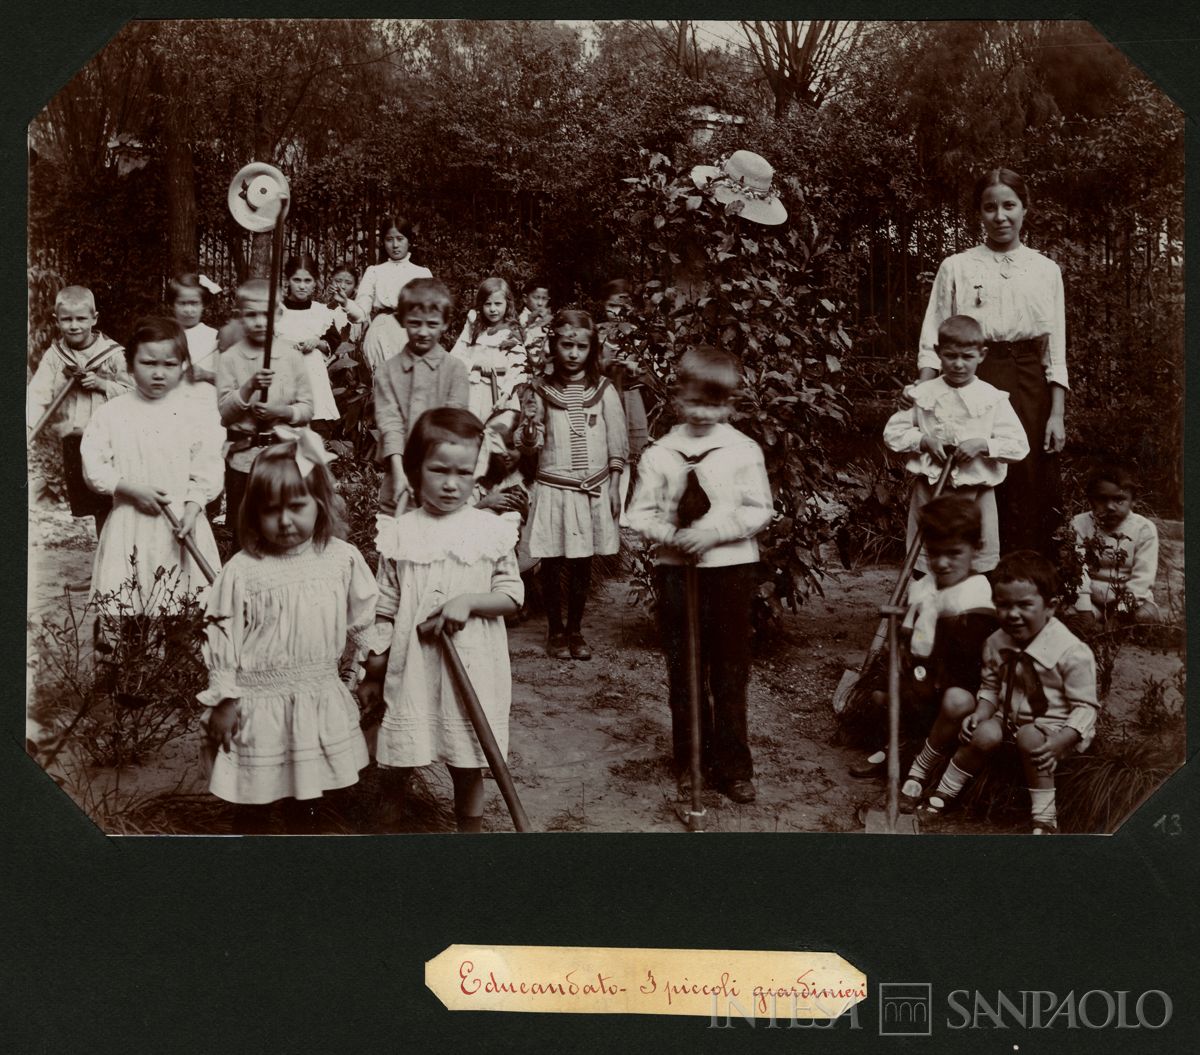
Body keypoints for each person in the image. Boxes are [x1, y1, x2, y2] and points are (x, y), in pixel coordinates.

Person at [199, 433, 376, 834]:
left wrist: (370, 670)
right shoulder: (244, 570)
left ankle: (302, 854)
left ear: (320, 504)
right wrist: (224, 699)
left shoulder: (340, 559)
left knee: (307, 794)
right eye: (271, 510)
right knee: (254, 797)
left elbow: (364, 619)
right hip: (259, 702)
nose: (284, 521)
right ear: (253, 514)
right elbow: (220, 635)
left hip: (315, 694)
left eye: (297, 507)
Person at [358, 408, 524, 833]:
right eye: (439, 470)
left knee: (467, 763)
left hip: (471, 667)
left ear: (478, 472)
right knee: (397, 763)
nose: (451, 483)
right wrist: (374, 670)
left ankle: (469, 842)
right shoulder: (400, 533)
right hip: (414, 668)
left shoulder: (489, 531)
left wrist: (469, 601)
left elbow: (512, 595)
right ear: (416, 469)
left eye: (463, 472)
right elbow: (385, 607)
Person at [626, 345, 772, 804]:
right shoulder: (661, 454)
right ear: (678, 398)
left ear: (729, 403)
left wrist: (714, 535)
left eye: (714, 404)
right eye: (694, 401)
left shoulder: (742, 451)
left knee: (730, 672)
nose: (703, 412)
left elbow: (759, 510)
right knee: (685, 672)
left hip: (729, 572)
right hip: (677, 573)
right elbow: (638, 514)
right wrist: (670, 535)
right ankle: (692, 761)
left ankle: (734, 766)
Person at [915, 168, 1067, 557]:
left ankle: (1025, 574)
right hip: (970, 379)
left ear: (1025, 209)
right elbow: (933, 337)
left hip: (1028, 380)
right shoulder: (957, 267)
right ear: (979, 213)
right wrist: (923, 398)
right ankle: (976, 573)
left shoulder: (1045, 270)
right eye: (990, 207)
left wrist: (1056, 414)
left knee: (1026, 475)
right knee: (972, 474)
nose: (1000, 216)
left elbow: (1054, 347)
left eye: (1009, 206)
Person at [918, 550, 1099, 834]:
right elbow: (991, 687)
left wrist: (1062, 739)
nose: (1012, 615)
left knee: (1030, 736)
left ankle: (1045, 817)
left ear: (1050, 606)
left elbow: (1086, 708)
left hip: (1052, 729)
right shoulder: (996, 642)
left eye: (1025, 605)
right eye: (1003, 605)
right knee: (983, 733)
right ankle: (944, 791)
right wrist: (980, 713)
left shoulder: (1072, 652)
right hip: (1008, 718)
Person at [80, 316, 223, 609]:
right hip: (130, 522)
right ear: (130, 366)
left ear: (183, 366)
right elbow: (93, 465)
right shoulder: (112, 413)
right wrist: (129, 489)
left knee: (180, 605)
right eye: (148, 363)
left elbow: (208, 468)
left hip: (181, 523)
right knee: (130, 607)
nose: (159, 373)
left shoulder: (195, 414)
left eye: (169, 364)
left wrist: (194, 507)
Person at [516, 309, 627, 661]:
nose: (574, 353)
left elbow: (617, 441)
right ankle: (555, 630)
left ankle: (576, 629)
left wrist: (614, 486)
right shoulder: (539, 390)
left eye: (581, 346)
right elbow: (530, 443)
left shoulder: (604, 390)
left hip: (591, 489)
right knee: (552, 561)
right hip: (554, 486)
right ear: (554, 346)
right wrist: (529, 429)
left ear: (592, 349)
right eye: (566, 345)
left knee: (582, 563)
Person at [885, 314, 1028, 575]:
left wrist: (983, 445)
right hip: (931, 491)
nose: (959, 364)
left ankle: (972, 597)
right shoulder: (923, 394)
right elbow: (893, 433)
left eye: (967, 357)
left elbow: (1018, 445)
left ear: (982, 355)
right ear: (938, 352)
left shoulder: (992, 398)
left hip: (976, 493)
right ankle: (925, 595)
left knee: (977, 559)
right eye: (950, 356)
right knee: (927, 556)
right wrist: (924, 441)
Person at [27, 285, 129, 539]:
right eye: (67, 319)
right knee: (91, 503)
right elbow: (38, 393)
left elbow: (134, 391)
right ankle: (102, 553)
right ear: (57, 320)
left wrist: (103, 384)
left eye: (81, 319)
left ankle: (115, 553)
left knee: (110, 499)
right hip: (75, 439)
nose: (74, 326)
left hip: (110, 439)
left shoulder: (113, 355)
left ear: (94, 318)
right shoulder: (55, 356)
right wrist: (28, 426)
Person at [217, 277, 313, 546]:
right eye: (251, 315)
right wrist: (248, 387)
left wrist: (280, 410)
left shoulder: (291, 356)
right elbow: (225, 413)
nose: (260, 322)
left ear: (279, 314)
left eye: (266, 315)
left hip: (282, 457)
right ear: (240, 317)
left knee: (279, 525)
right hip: (242, 461)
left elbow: (307, 408)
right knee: (244, 530)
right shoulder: (230, 358)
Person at [373, 277, 469, 515]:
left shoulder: (455, 369)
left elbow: (453, 429)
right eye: (415, 323)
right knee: (397, 530)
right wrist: (398, 474)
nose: (423, 332)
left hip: (443, 478)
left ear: (445, 324)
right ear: (402, 321)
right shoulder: (387, 371)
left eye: (432, 324)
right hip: (398, 474)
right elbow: (390, 424)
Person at [1071, 463, 1161, 624]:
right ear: (1090, 499)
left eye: (1119, 500)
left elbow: (1142, 578)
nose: (1110, 507)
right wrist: (1084, 609)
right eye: (1102, 499)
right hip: (1092, 599)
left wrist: (1120, 613)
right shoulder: (1079, 524)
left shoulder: (1144, 529)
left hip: (1131, 600)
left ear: (1133, 501)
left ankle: (1117, 624)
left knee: (1145, 616)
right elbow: (1078, 572)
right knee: (1070, 616)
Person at [597, 278, 650, 518]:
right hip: (605, 396)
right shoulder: (598, 333)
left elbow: (647, 367)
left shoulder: (636, 333)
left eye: (621, 307)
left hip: (629, 395)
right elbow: (593, 364)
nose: (616, 312)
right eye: (611, 306)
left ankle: (622, 510)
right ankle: (604, 504)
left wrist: (632, 366)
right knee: (606, 448)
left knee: (628, 451)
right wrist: (607, 363)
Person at [358, 216, 434, 372]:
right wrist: (347, 304)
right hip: (381, 332)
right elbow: (361, 310)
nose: (395, 245)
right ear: (383, 242)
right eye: (389, 239)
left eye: (400, 239)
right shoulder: (374, 271)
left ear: (409, 240)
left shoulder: (422, 273)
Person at [274, 254, 341, 425]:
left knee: (315, 422)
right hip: (283, 374)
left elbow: (333, 342)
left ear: (315, 282)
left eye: (307, 281)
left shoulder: (321, 312)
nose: (302, 286)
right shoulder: (277, 311)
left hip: (313, 374)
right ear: (287, 281)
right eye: (297, 280)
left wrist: (316, 343)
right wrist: (284, 345)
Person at [451, 276, 528, 423]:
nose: (493, 309)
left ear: (507, 304)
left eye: (498, 304)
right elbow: (456, 355)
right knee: (470, 427)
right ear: (481, 305)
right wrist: (475, 364)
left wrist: (505, 397)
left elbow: (517, 369)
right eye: (488, 304)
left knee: (495, 429)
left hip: (499, 393)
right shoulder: (474, 326)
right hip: (472, 391)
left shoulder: (511, 331)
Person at [167, 272, 221, 389]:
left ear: (203, 305)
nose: (188, 310)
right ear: (172, 305)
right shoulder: (165, 333)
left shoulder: (213, 337)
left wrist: (206, 374)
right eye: (182, 303)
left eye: (194, 303)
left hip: (203, 395)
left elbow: (230, 380)